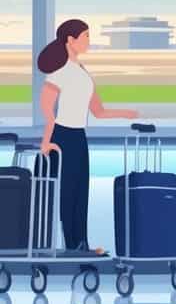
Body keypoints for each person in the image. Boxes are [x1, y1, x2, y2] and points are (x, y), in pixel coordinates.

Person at [37, 19, 138, 254]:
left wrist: (126, 114)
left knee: (81, 192)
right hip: (61, 137)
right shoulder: (59, 72)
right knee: (66, 194)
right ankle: (69, 245)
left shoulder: (82, 72)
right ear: (70, 41)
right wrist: (46, 140)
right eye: (85, 36)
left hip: (79, 137)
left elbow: (98, 111)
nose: (89, 41)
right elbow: (47, 108)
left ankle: (80, 244)